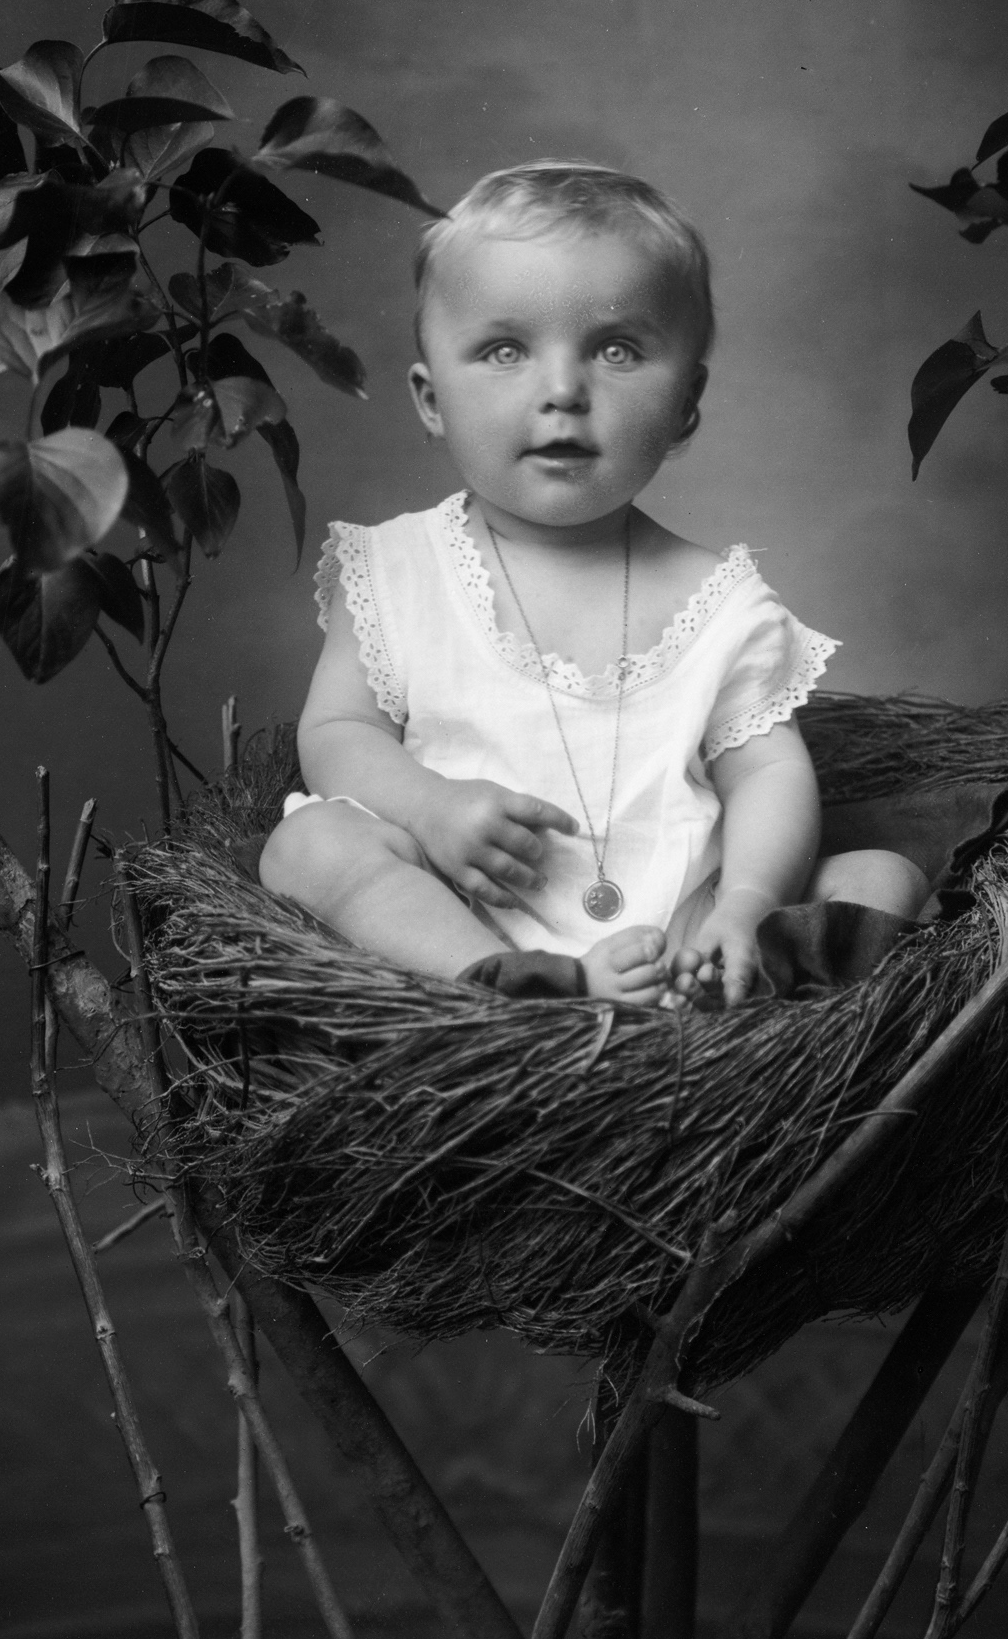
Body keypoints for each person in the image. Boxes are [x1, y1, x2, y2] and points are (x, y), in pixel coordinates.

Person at [260, 162, 929, 1006]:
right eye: (505, 350)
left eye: (617, 350)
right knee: (309, 845)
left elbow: (767, 776)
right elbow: (339, 731)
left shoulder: (719, 600)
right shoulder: (397, 571)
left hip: (678, 932)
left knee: (882, 875)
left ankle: (725, 990)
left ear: (687, 402)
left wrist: (745, 903)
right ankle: (505, 991)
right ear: (432, 401)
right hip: (465, 911)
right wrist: (432, 810)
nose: (564, 392)